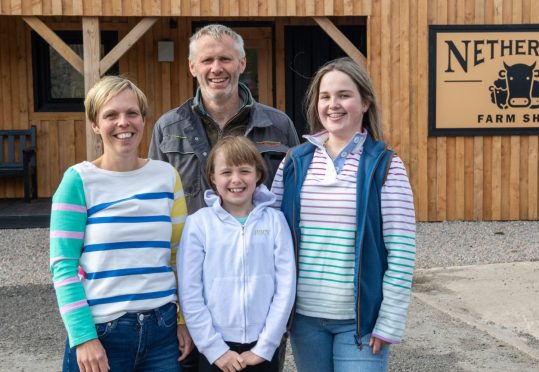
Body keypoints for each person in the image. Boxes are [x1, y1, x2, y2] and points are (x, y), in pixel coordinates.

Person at [271, 57, 417, 372]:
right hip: (305, 319)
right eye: (325, 97)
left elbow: (402, 250)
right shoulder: (294, 162)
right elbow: (270, 232)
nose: (333, 105)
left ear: (365, 102)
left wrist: (390, 320)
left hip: (360, 321)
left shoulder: (385, 165)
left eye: (344, 95)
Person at [50, 76, 192, 372]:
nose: (123, 122)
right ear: (95, 124)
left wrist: (182, 320)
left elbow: (179, 255)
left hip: (162, 331)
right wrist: (83, 337)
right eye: (111, 115)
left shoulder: (166, 176)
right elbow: (63, 265)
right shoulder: (78, 181)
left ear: (143, 119)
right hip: (102, 333)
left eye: (132, 113)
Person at [148, 23, 299, 215]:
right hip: (191, 244)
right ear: (192, 67)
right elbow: (155, 199)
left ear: (242, 63)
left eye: (225, 59)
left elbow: (293, 197)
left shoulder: (279, 126)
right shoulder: (168, 128)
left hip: (261, 242)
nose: (216, 68)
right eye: (207, 60)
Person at [177, 136, 296, 372]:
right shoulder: (199, 224)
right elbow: (190, 291)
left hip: (262, 347)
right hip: (215, 348)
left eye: (244, 171)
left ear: (258, 175)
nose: (236, 179)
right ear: (212, 177)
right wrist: (214, 349)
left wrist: (265, 346)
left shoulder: (275, 221)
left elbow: (286, 287)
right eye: (226, 172)